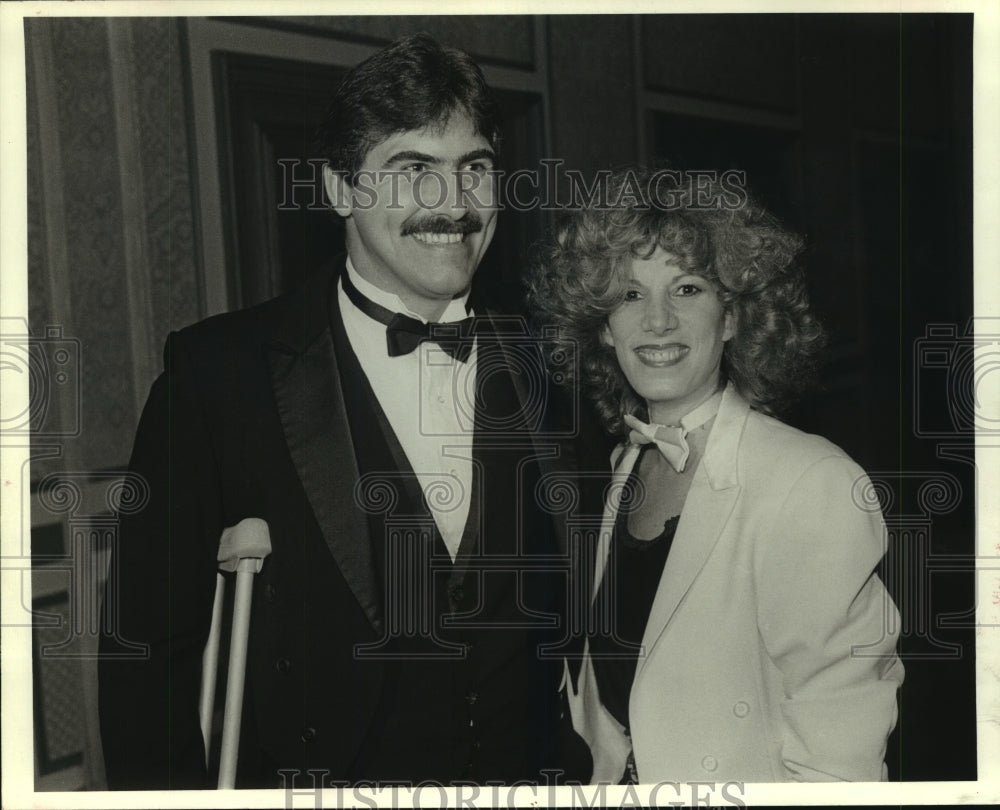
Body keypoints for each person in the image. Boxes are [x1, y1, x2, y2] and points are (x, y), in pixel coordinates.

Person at [99, 33, 594, 789]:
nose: (453, 205)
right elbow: (145, 657)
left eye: (475, 170)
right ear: (338, 189)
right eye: (413, 170)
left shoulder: (551, 361)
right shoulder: (216, 377)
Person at [529, 166, 904, 783]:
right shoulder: (624, 468)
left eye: (687, 290)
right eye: (629, 294)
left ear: (733, 317)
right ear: (602, 325)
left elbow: (843, 763)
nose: (657, 321)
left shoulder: (809, 482)